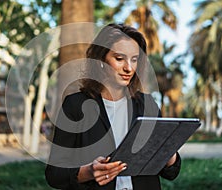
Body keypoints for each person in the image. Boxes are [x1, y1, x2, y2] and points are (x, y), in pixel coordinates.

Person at [45, 23, 181, 190]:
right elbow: (54, 174)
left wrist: (169, 152)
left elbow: (171, 172)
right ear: (101, 59)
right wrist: (88, 172)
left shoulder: (148, 105)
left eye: (134, 59)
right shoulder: (75, 104)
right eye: (119, 58)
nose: (128, 68)